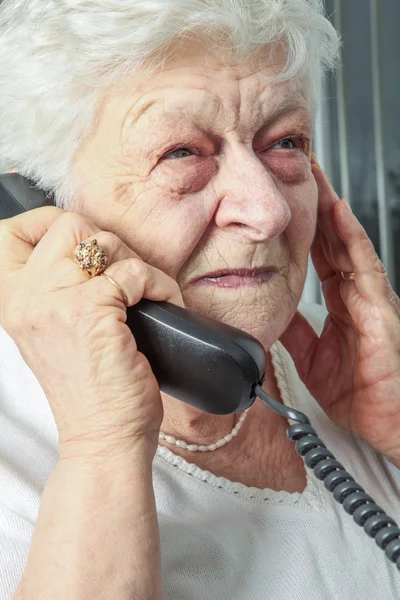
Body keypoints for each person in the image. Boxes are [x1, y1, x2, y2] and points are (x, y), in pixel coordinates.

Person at [0, 1, 399, 598]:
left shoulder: (356, 366)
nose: (268, 212)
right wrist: (104, 450)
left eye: (285, 141)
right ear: (48, 206)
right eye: (182, 152)